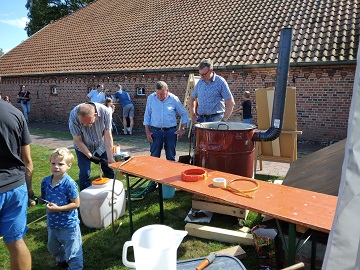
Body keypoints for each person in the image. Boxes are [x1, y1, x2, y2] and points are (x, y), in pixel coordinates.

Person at [0, 99, 34, 270]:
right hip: (16, 187)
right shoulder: (16, 113)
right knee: (15, 242)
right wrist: (29, 189)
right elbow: (27, 160)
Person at [40, 148, 83, 269]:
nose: (56, 167)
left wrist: (58, 209)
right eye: (53, 163)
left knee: (73, 251)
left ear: (69, 166)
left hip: (68, 224)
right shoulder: (45, 182)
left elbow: (76, 204)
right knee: (52, 247)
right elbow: (43, 199)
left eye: (61, 164)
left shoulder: (69, 184)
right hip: (52, 223)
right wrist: (35, 201)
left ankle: (75, 267)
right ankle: (62, 260)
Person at [69, 102, 115, 191]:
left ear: (95, 115)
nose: (86, 125)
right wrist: (90, 157)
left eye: (89, 122)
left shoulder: (105, 112)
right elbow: (77, 140)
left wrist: (110, 157)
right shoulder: (74, 116)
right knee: (84, 173)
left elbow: (107, 135)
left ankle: (112, 193)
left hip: (100, 145)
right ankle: (86, 198)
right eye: (83, 123)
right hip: (82, 146)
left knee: (108, 169)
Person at [144, 81, 188, 161]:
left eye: (162, 94)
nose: (159, 96)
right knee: (154, 157)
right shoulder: (151, 98)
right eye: (157, 94)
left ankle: (171, 173)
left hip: (171, 132)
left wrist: (183, 129)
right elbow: (147, 115)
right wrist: (147, 132)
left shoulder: (174, 99)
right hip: (155, 131)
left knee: (171, 157)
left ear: (167, 91)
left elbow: (184, 114)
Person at [189, 59, 235, 123]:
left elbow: (230, 102)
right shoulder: (200, 83)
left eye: (204, 74)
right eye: (200, 74)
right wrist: (193, 115)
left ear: (210, 71)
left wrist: (224, 119)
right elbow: (192, 98)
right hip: (201, 119)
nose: (202, 77)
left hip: (216, 119)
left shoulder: (220, 82)